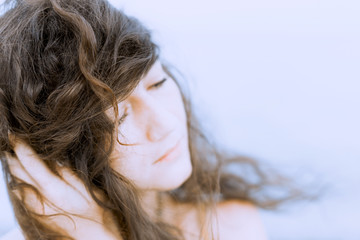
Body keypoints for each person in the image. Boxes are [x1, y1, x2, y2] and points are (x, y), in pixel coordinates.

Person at [0, 0, 304, 239]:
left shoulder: (227, 223)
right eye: (120, 117)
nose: (166, 124)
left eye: (157, 83)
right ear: (53, 157)